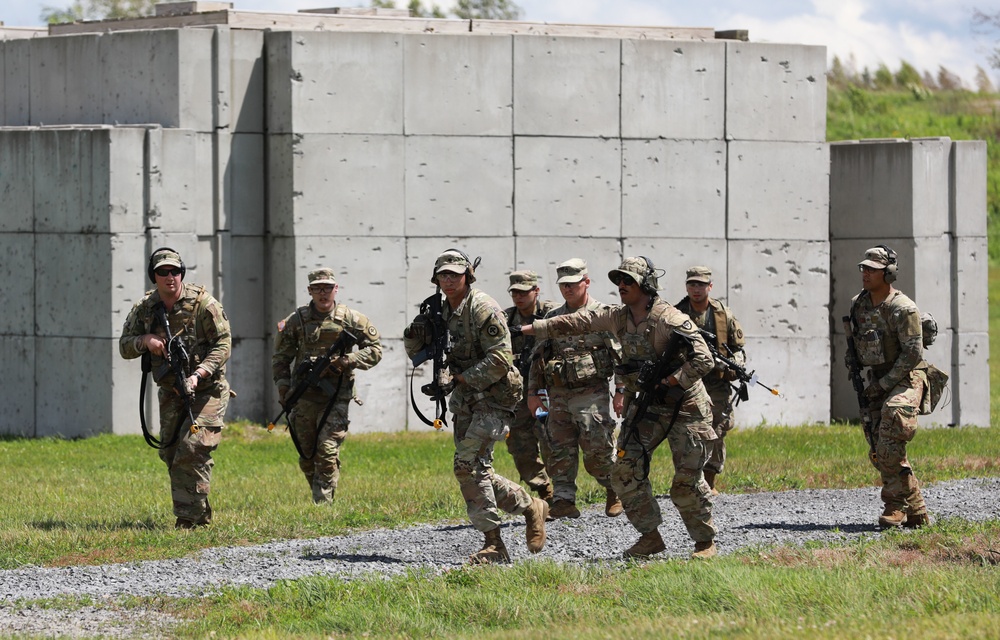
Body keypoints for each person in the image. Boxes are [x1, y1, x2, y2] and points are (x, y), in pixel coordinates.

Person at [521, 256, 717, 559]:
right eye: (619, 281)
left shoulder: (671, 319)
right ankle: (651, 537)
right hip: (648, 407)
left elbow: (704, 358)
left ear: (646, 286)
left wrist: (672, 380)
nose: (622, 286)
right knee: (624, 472)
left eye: (629, 281)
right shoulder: (617, 317)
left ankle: (704, 543)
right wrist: (536, 328)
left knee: (685, 483)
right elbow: (577, 321)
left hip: (686, 409)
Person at [404, 249, 548, 564]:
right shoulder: (440, 312)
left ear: (468, 276)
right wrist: (418, 329)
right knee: (477, 470)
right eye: (443, 274)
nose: (448, 280)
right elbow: (416, 351)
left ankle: (494, 546)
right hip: (466, 401)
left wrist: (460, 379)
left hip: (494, 398)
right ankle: (530, 506)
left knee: (465, 465)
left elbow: (501, 358)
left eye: (455, 274)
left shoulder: (483, 308)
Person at [119, 248, 233, 529]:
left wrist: (199, 373)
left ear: (182, 273)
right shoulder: (146, 308)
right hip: (171, 390)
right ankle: (199, 515)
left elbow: (224, 344)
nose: (170, 277)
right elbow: (124, 346)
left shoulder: (204, 304)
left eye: (175, 271)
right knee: (171, 454)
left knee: (192, 448)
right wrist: (146, 340)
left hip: (207, 389)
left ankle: (188, 521)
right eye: (163, 272)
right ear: (153, 276)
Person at [272, 268, 383, 504]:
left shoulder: (352, 319)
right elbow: (281, 358)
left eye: (328, 288)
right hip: (303, 396)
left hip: (337, 396)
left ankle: (322, 504)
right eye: (317, 288)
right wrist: (283, 388)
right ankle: (320, 490)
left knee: (327, 449)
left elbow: (375, 351)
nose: (323, 293)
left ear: (336, 289)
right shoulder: (296, 321)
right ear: (310, 291)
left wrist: (346, 361)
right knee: (307, 454)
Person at [526, 259, 622, 519]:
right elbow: (538, 358)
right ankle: (564, 500)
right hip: (558, 394)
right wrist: (533, 393)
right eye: (563, 285)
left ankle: (614, 489)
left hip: (592, 392)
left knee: (597, 446)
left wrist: (622, 392)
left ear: (586, 282)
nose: (567, 289)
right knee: (559, 448)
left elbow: (620, 357)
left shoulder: (602, 315)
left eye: (572, 284)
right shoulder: (552, 318)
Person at [845, 246, 931, 529]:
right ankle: (915, 511)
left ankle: (895, 507)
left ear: (889, 273)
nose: (866, 273)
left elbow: (912, 354)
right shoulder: (859, 304)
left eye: (872, 269)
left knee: (892, 425)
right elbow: (856, 343)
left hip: (907, 377)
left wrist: (883, 384)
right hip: (877, 379)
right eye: (864, 268)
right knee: (880, 447)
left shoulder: (903, 308)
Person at [675, 266, 746, 495]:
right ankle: (688, 480)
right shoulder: (677, 313)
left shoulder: (723, 314)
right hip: (689, 381)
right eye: (692, 284)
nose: (696, 289)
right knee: (687, 431)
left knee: (716, 429)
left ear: (710, 286)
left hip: (716, 382)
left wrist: (733, 363)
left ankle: (710, 479)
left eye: (701, 285)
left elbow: (738, 349)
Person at [503, 270, 556, 502]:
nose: (518, 296)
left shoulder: (552, 314)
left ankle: (564, 492)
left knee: (552, 441)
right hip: (518, 393)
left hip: (548, 390)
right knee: (519, 444)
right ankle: (545, 490)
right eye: (514, 292)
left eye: (524, 291)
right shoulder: (505, 319)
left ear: (536, 290)